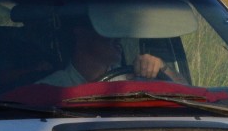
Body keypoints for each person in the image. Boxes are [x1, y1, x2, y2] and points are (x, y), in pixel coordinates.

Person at [39, 17, 184, 87]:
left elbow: (191, 96)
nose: (118, 37)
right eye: (107, 30)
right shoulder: (51, 89)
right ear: (81, 34)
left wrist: (162, 68)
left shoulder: (134, 78)